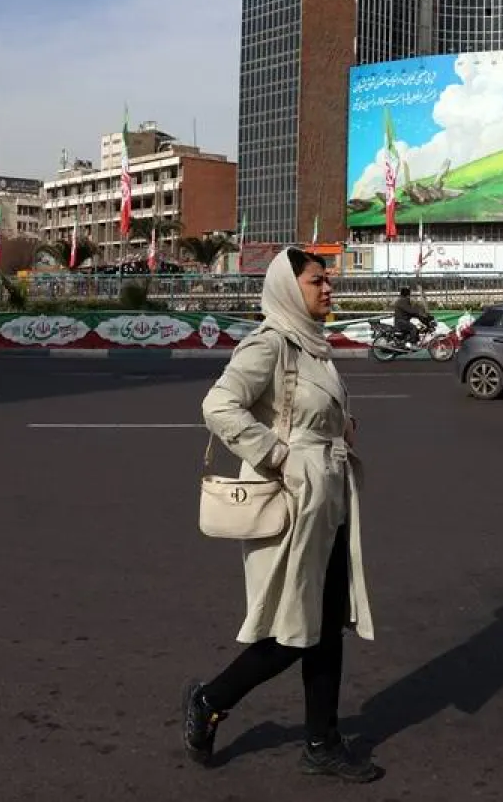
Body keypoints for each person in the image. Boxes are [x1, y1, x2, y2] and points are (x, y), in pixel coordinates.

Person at [183, 247, 382, 783]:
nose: (328, 289)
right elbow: (218, 406)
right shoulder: (270, 344)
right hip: (294, 503)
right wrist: (277, 455)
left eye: (327, 280)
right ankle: (209, 699)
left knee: (326, 625)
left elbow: (314, 410)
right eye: (318, 281)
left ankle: (322, 742)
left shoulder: (314, 347)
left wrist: (341, 427)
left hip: (329, 501)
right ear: (290, 288)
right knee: (292, 629)